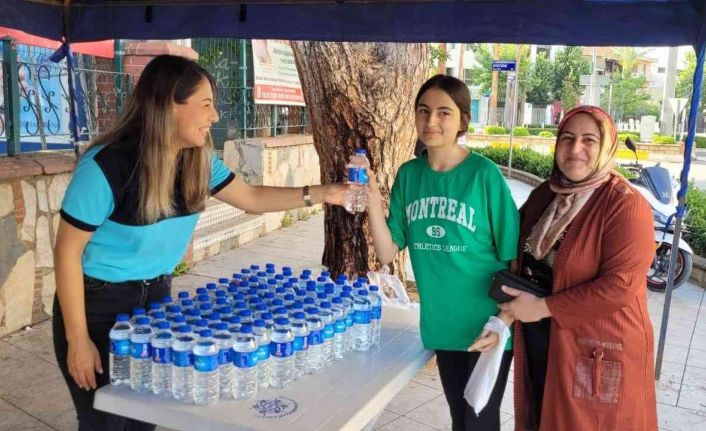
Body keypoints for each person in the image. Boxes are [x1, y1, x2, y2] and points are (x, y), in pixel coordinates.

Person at [52, 54, 350, 430]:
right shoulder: (105, 167)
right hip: (97, 307)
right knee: (105, 422)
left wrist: (323, 193)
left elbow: (253, 198)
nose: (214, 116)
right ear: (167, 106)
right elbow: (67, 251)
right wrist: (77, 339)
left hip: (155, 304)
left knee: (146, 418)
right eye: (206, 104)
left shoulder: (198, 162)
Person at [366, 74, 519, 431]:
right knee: (459, 420)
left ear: (463, 120)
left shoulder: (484, 175)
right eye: (424, 111)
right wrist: (373, 199)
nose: (431, 121)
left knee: (479, 422)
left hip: (488, 324)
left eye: (444, 112)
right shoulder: (409, 175)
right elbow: (388, 251)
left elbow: (514, 261)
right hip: (442, 324)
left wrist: (505, 321)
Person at [498, 106, 657, 430]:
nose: (575, 149)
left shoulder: (624, 204)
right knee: (544, 415)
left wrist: (543, 307)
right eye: (567, 138)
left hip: (599, 350)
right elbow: (515, 247)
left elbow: (619, 287)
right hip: (546, 339)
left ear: (606, 146)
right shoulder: (547, 195)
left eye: (589, 140)